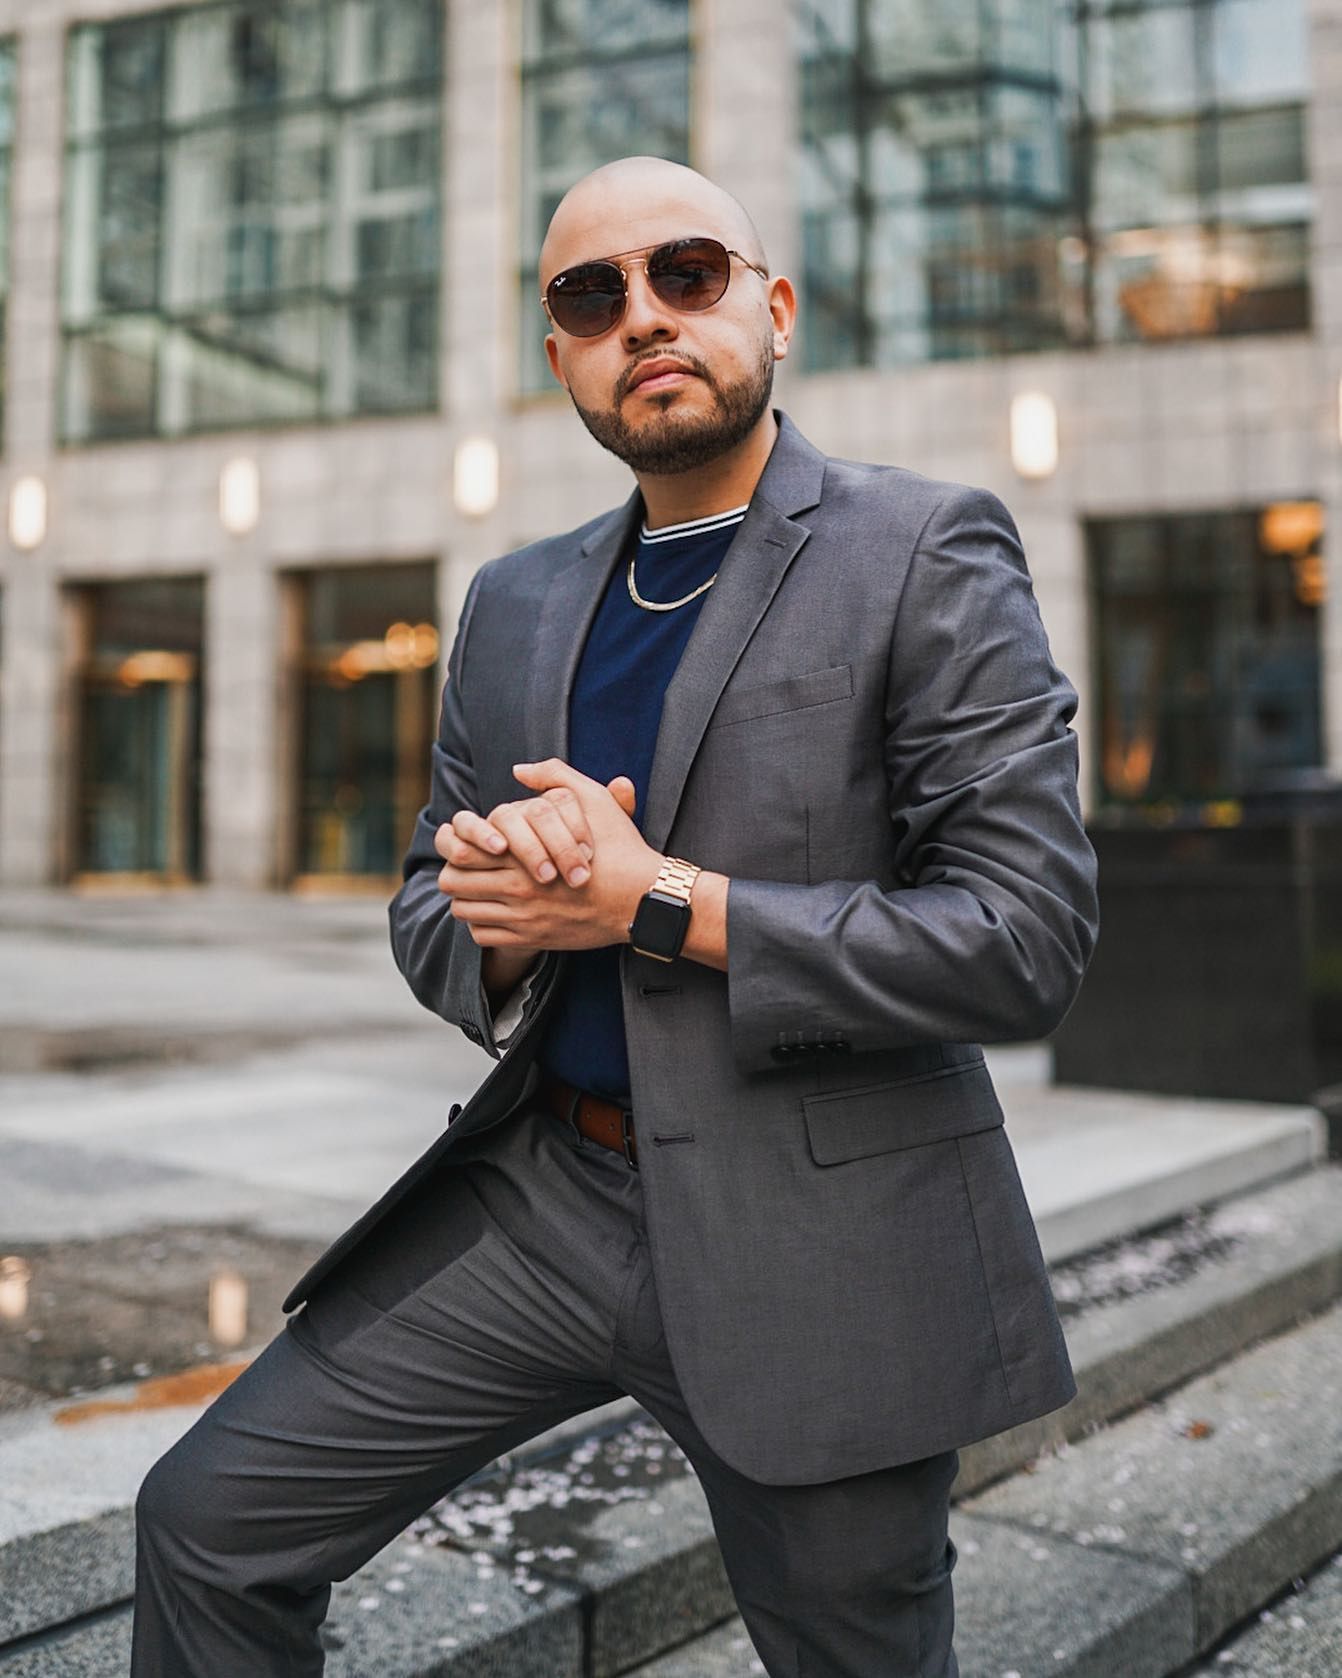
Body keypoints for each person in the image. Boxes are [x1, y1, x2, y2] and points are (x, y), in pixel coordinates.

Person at [131, 156, 1099, 1677]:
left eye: (687, 274)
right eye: (593, 296)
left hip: (821, 1224)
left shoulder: (920, 547)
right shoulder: (512, 600)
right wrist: (513, 911)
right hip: (542, 1201)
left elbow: (1022, 935)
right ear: (560, 354)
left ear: (773, 310)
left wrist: (655, 900)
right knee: (207, 1519)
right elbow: (426, 910)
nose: (643, 316)